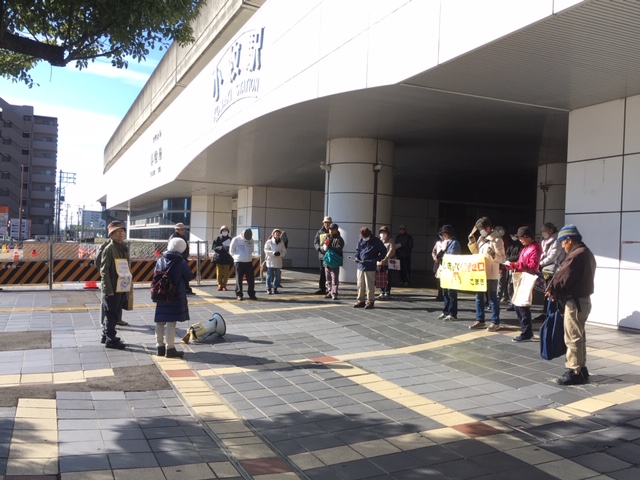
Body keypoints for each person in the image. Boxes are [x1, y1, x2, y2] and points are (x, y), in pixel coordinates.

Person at [546, 224, 596, 386]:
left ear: (569, 240)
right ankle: (581, 367)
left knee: (573, 337)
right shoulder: (587, 253)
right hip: (583, 300)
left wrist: (552, 288)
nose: (562, 246)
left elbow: (562, 278)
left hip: (574, 302)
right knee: (579, 336)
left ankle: (574, 370)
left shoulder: (576, 255)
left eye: (562, 242)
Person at [154, 237, 193, 358]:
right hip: (175, 294)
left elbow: (156, 275)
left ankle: (159, 347)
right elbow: (189, 276)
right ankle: (170, 348)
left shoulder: (161, 260)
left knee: (160, 321)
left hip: (161, 293)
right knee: (171, 322)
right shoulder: (181, 262)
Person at [467, 216, 506, 331]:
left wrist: (493, 253)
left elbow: (502, 258)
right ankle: (480, 320)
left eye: (482, 229)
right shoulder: (481, 239)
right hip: (480, 272)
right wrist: (472, 242)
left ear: (488, 227)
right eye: (479, 229)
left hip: (491, 272)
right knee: (479, 297)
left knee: (492, 298)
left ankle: (495, 322)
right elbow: (476, 253)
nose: (481, 231)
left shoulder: (497, 240)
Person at [99, 221, 132, 349]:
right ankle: (111, 339)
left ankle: (106, 335)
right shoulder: (109, 249)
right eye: (117, 232)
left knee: (114, 312)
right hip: (112, 287)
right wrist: (108, 289)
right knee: (111, 314)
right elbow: (104, 271)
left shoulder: (123, 247)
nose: (121, 234)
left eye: (122, 231)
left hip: (121, 285)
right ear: (111, 234)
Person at [507, 226, 542, 342]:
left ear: (528, 237)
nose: (520, 240)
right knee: (518, 305)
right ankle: (526, 331)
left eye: (521, 238)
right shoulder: (527, 247)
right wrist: (513, 265)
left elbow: (533, 266)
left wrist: (517, 265)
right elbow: (522, 262)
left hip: (527, 278)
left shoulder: (534, 248)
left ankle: (526, 332)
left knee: (522, 305)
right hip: (522, 277)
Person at [535, 222, 567, 321]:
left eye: (544, 231)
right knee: (547, 292)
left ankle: (552, 314)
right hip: (546, 269)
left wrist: (539, 264)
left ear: (551, 230)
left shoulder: (557, 240)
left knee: (552, 292)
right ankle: (546, 313)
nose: (542, 233)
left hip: (553, 270)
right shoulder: (545, 240)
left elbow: (553, 257)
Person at [353, 227, 387, 309]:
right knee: (360, 284)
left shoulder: (376, 241)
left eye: (365, 236)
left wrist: (376, 259)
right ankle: (361, 300)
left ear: (369, 235)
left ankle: (370, 301)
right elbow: (358, 250)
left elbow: (384, 251)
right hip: (360, 265)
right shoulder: (360, 240)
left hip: (370, 266)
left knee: (369, 285)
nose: (364, 238)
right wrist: (356, 257)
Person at [436, 225, 461, 321]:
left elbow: (452, 256)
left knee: (451, 292)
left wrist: (444, 252)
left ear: (448, 233)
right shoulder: (444, 242)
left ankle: (452, 313)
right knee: (445, 292)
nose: (443, 236)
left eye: (444, 234)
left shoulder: (454, 243)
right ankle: (445, 311)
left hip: (452, 271)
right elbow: (439, 256)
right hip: (444, 270)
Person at [230, 228, 257, 301]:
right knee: (239, 279)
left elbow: (252, 249)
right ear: (242, 235)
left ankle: (251, 294)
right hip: (239, 262)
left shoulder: (251, 240)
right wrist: (236, 258)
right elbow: (231, 251)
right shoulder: (236, 239)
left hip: (248, 261)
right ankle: (239, 294)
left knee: (251, 279)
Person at [170, 223, 194, 295]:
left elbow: (186, 247)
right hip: (176, 259)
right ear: (177, 230)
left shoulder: (183, 237)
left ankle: (186, 288)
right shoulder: (173, 237)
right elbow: (172, 249)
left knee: (184, 274)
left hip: (183, 258)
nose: (183, 231)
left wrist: (185, 255)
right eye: (182, 229)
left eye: (184, 229)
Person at [322, 223, 344, 300]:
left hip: (334, 261)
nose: (330, 231)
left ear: (336, 230)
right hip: (327, 261)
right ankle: (329, 291)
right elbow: (324, 247)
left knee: (334, 277)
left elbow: (339, 248)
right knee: (328, 278)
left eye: (332, 229)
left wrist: (329, 246)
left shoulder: (339, 239)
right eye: (330, 229)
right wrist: (324, 247)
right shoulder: (327, 237)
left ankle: (334, 293)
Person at [504, 228, 523, 311]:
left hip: (517, 266)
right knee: (510, 285)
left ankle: (516, 303)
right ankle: (512, 302)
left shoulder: (521, 244)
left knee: (516, 286)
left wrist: (510, 259)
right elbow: (507, 253)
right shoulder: (511, 244)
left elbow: (520, 255)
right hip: (510, 266)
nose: (513, 237)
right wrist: (508, 259)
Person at [313, 216, 332, 295]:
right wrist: (319, 249)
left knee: (330, 273)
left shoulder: (333, 231)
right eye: (325, 223)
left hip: (331, 255)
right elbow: (315, 242)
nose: (326, 224)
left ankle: (330, 289)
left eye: (328, 223)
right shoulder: (320, 232)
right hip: (322, 255)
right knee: (322, 272)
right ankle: (322, 288)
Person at [264, 228, 287, 294]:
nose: (277, 235)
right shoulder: (269, 242)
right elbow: (266, 250)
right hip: (270, 261)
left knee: (277, 276)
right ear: (273, 234)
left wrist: (280, 254)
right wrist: (273, 253)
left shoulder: (281, 242)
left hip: (278, 261)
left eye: (278, 234)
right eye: (276, 233)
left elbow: (284, 251)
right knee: (269, 276)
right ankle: (268, 288)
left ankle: (275, 288)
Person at [211, 225, 234, 291]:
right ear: (221, 231)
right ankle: (219, 285)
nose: (224, 231)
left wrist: (228, 248)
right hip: (219, 257)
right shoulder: (217, 239)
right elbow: (214, 248)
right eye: (223, 230)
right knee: (219, 272)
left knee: (226, 273)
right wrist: (222, 247)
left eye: (226, 230)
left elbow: (233, 248)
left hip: (227, 257)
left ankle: (224, 285)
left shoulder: (230, 239)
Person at [376, 226, 396, 299]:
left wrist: (385, 259)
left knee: (388, 277)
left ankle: (387, 292)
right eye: (381, 232)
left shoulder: (391, 241)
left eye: (384, 232)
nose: (382, 234)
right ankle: (381, 291)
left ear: (387, 233)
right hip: (380, 262)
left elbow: (391, 251)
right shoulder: (378, 241)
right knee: (381, 277)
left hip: (388, 262)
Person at [431, 235, 444, 301]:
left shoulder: (448, 242)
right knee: (438, 279)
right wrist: (435, 258)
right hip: (438, 262)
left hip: (444, 262)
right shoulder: (437, 243)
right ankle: (439, 294)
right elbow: (433, 251)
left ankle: (443, 294)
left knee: (443, 279)